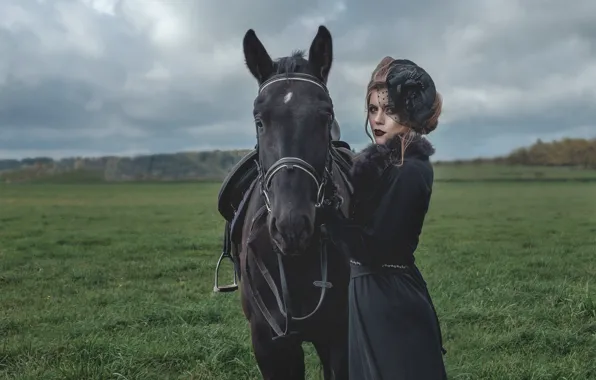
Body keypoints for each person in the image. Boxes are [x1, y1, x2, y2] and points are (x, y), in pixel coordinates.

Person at [322, 56, 447, 379]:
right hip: (369, 293)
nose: (378, 119)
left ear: (410, 113)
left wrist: (329, 216)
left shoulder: (411, 171)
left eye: (389, 111)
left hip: (388, 297)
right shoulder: (384, 165)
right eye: (373, 109)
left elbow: (374, 249)